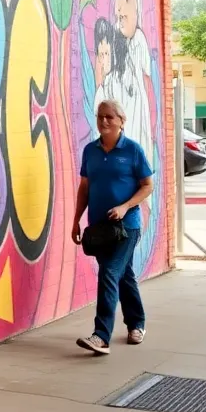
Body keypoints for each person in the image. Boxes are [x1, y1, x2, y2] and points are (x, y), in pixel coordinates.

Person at [72, 98, 153, 355]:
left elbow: (147, 186)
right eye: (100, 116)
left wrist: (125, 206)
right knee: (123, 275)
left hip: (127, 227)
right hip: (100, 230)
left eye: (109, 116)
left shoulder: (133, 150)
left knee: (109, 272)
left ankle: (101, 336)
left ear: (121, 121)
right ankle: (137, 324)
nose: (104, 121)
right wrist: (76, 220)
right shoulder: (90, 151)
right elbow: (84, 188)